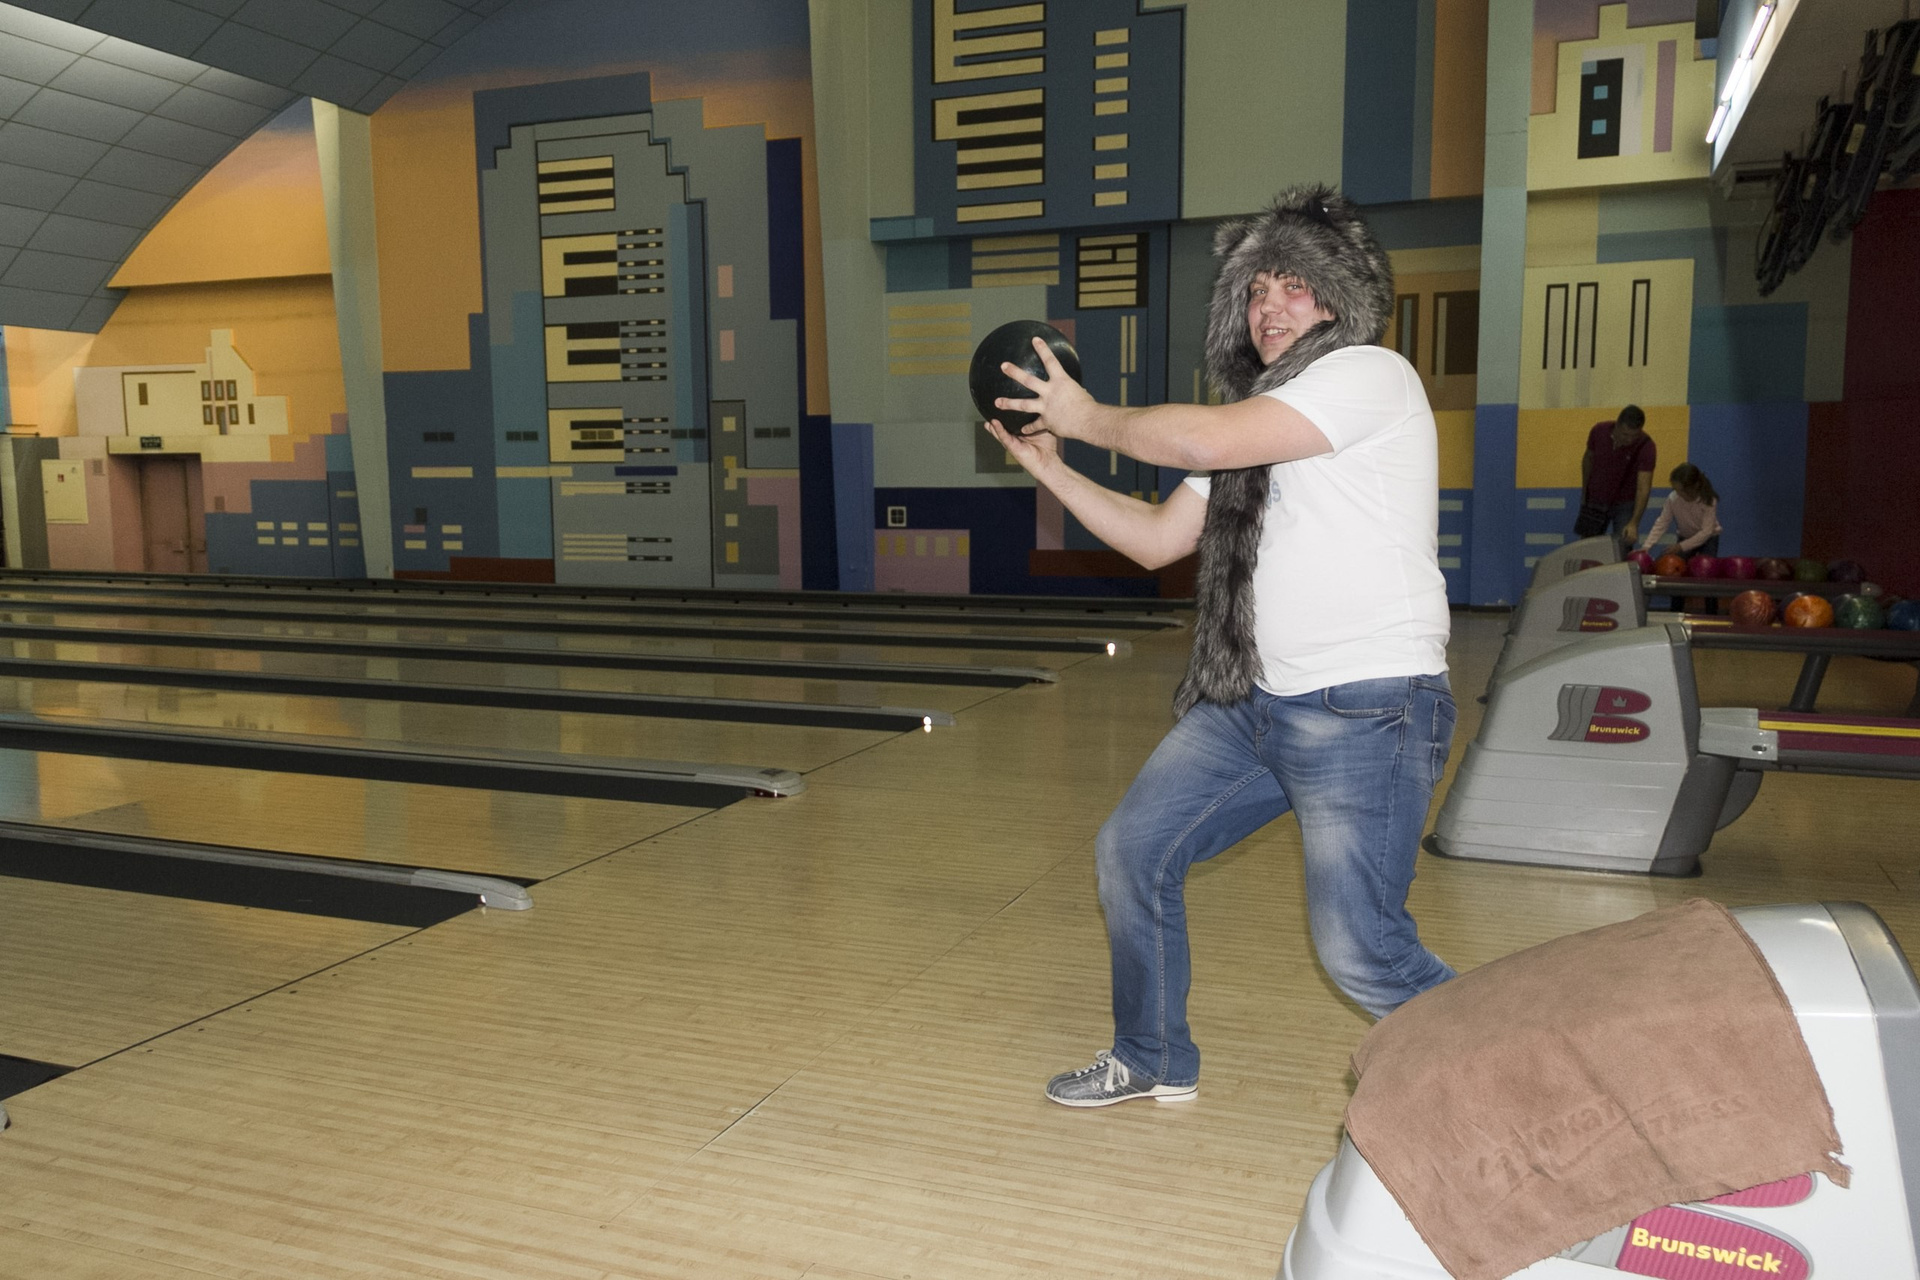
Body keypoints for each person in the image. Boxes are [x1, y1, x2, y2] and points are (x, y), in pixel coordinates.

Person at [982, 187, 1456, 1108]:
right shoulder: (1261, 417)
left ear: (1340, 298)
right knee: (1134, 851)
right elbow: (1157, 539)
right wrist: (1051, 466)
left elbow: (1200, 437)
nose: (1268, 306)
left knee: (1362, 949)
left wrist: (1085, 416)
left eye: (1293, 285)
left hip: (1368, 708)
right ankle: (1153, 1055)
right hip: (1254, 705)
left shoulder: (1370, 374)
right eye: (1255, 289)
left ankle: (1525, 1072)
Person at [1577, 405, 1655, 543]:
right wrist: (1585, 492)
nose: (1629, 440)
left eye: (1634, 436)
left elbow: (1644, 488)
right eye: (1625, 434)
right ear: (1617, 425)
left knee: (1623, 544)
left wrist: (1634, 523)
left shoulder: (1646, 446)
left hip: (1625, 503)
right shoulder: (1599, 431)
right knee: (1587, 545)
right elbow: (1588, 459)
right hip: (1596, 497)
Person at [1639, 463, 1721, 561]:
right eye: (1675, 489)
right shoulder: (1673, 499)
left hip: (1708, 539)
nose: (1677, 493)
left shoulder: (1708, 500)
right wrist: (1646, 546)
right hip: (1685, 537)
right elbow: (1662, 523)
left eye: (1681, 490)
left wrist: (1681, 546)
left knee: (1706, 565)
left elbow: (1706, 532)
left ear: (1693, 487)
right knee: (1667, 562)